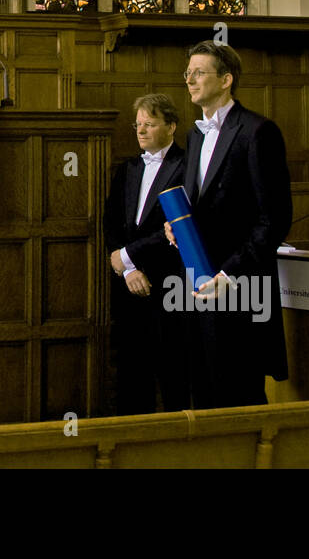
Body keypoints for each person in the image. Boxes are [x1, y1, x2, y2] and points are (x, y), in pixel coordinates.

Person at [167, 41, 291, 408]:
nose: (190, 80)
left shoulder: (258, 131)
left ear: (226, 80)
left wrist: (231, 273)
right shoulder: (193, 134)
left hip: (240, 285)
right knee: (202, 388)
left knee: (239, 392)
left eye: (199, 73)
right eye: (187, 73)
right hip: (196, 280)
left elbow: (274, 218)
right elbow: (196, 205)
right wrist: (174, 227)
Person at [104, 93, 189, 413]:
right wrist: (126, 269)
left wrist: (127, 257)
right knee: (130, 373)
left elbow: (175, 229)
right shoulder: (127, 168)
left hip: (168, 284)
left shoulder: (187, 166)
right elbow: (110, 222)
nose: (140, 131)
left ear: (171, 127)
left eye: (149, 124)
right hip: (127, 285)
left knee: (173, 374)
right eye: (138, 124)